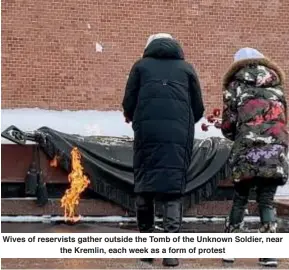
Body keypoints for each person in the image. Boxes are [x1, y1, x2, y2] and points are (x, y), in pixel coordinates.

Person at [122, 33, 204, 267]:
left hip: (148, 133)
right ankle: (170, 253)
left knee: (145, 187)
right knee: (172, 191)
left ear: (148, 47)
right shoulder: (187, 69)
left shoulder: (140, 67)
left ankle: (147, 252)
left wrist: (134, 117)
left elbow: (128, 101)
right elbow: (198, 107)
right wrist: (183, 122)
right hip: (179, 135)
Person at [221, 47, 288, 267]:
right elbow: (281, 120)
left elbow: (229, 124)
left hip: (247, 150)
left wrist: (238, 133)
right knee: (266, 201)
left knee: (240, 198)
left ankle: (231, 250)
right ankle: (269, 254)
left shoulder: (235, 86)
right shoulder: (277, 88)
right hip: (275, 150)